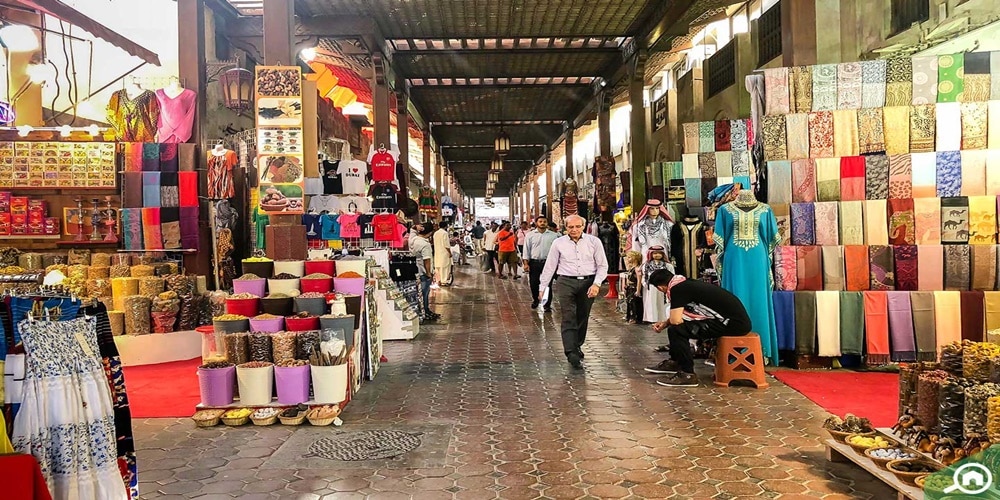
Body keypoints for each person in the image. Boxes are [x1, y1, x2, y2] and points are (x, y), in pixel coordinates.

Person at [644, 269, 751, 387]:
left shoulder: (677, 289)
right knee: (676, 328)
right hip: (733, 321)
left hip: (732, 324)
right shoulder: (684, 284)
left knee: (677, 330)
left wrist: (668, 323)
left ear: (660, 288)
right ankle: (676, 362)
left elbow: (676, 320)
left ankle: (687, 373)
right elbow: (677, 316)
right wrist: (665, 323)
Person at [539, 214, 609, 369]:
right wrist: (543, 288)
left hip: (588, 282)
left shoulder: (594, 242)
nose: (574, 230)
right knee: (568, 316)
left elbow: (602, 265)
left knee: (582, 315)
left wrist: (597, 284)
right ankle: (571, 351)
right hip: (565, 281)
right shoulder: (558, 243)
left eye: (577, 226)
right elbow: (550, 266)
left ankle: (577, 344)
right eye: (571, 227)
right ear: (565, 227)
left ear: (583, 227)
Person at [523, 215, 559, 311]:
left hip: (549, 263)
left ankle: (546, 304)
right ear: (536, 223)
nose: (542, 223)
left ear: (547, 223)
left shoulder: (554, 235)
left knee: (547, 284)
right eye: (540, 221)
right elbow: (526, 250)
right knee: (534, 283)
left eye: (544, 221)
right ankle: (536, 299)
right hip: (534, 263)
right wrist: (526, 263)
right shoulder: (530, 235)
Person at [412, 225, 440, 321]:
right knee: (424, 293)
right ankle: (425, 311)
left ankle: (424, 311)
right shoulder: (425, 244)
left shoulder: (413, 240)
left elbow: (412, 229)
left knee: (419, 293)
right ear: (430, 233)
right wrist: (429, 273)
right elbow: (426, 259)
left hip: (416, 269)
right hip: (424, 272)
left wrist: (415, 227)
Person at [433, 221, 453, 286]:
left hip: (437, 252)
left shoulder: (435, 233)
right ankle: (444, 281)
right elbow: (446, 245)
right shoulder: (445, 233)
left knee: (438, 267)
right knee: (445, 267)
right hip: (444, 252)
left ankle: (438, 280)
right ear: (445, 226)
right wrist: (450, 253)